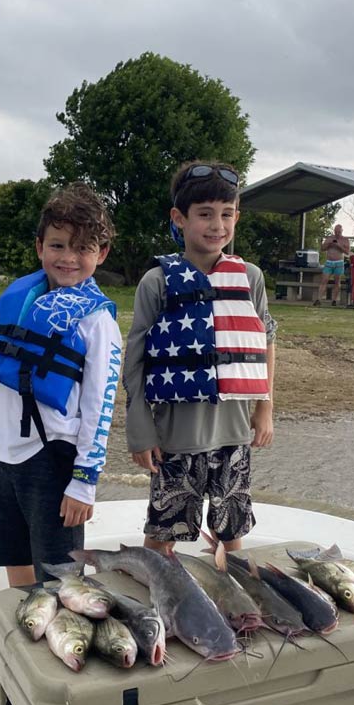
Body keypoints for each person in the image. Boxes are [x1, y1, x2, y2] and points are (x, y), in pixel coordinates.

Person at [0, 183, 122, 668]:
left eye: (82, 247)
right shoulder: (20, 303)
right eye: (57, 244)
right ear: (39, 247)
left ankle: (59, 650)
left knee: (57, 571)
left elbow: (101, 406)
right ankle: (16, 642)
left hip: (55, 462)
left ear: (102, 252)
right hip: (9, 459)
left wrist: (84, 483)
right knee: (14, 558)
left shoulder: (97, 323)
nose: (68, 257)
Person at [123, 160, 276, 557]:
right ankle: (156, 606)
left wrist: (266, 408)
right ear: (179, 218)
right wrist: (140, 428)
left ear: (237, 217)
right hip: (176, 438)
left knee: (232, 532)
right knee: (163, 533)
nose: (216, 225)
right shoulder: (156, 281)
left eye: (226, 215)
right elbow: (136, 359)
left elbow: (266, 341)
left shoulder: (251, 277)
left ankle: (234, 606)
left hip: (235, 435)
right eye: (204, 214)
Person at [314, 224, 350, 306]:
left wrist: (339, 246)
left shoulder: (345, 239)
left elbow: (347, 252)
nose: (337, 233)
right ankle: (318, 299)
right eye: (336, 231)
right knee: (324, 280)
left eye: (339, 232)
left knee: (337, 281)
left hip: (339, 262)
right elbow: (322, 249)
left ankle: (334, 300)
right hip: (329, 262)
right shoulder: (330, 238)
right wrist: (329, 244)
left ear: (342, 231)